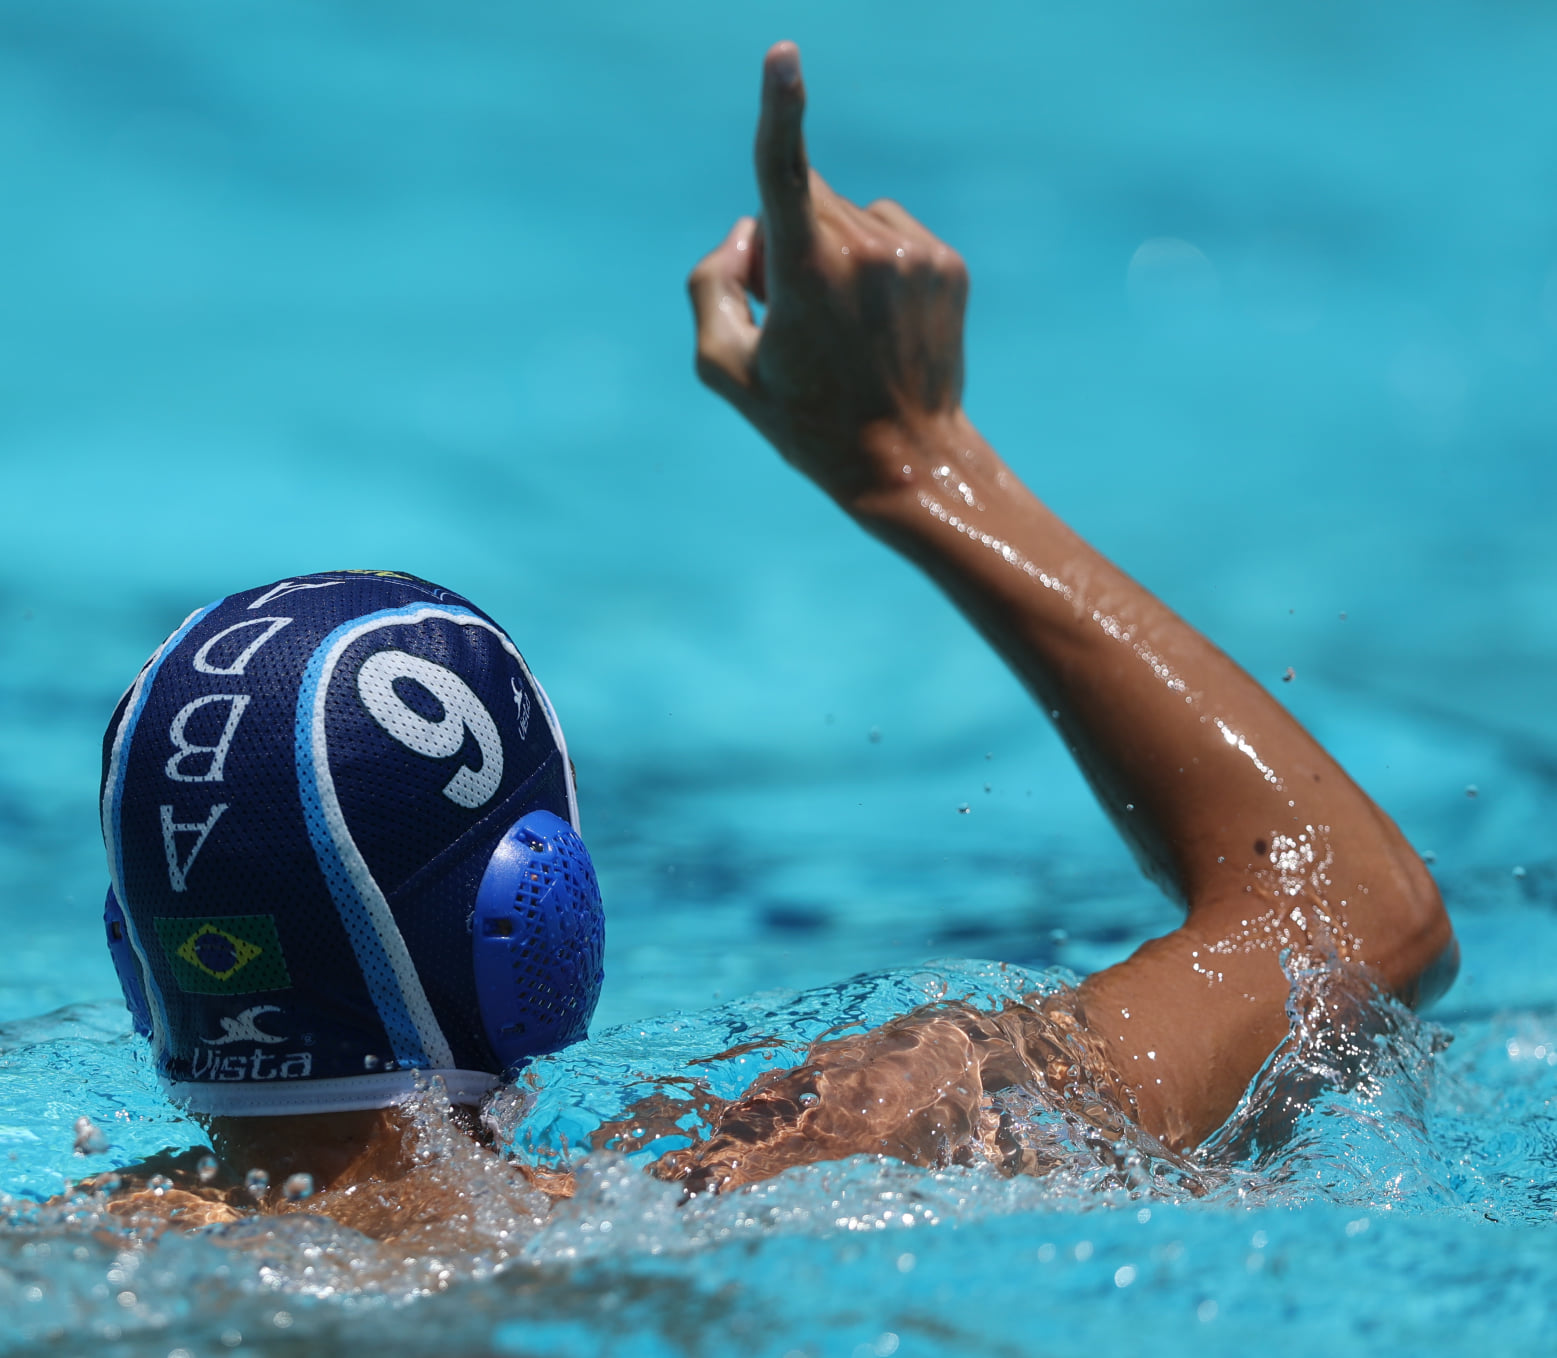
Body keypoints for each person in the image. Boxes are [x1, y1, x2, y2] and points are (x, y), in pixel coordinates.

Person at [90, 40, 1456, 1231]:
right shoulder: (746, 1189)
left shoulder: (7, 1258)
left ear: (140, 963)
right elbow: (1350, 916)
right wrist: (918, 467)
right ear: (536, 922)